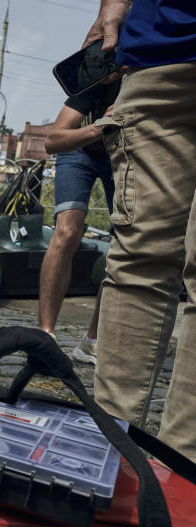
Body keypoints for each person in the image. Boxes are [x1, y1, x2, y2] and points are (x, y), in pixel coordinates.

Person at [85, 0, 196, 454]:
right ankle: (104, 458)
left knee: (137, 267)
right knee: (135, 262)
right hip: (161, 54)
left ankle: (181, 477)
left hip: (160, 49)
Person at [38, 80, 119, 365]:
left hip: (122, 154)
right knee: (67, 233)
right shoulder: (100, 81)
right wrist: (98, 127)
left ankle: (92, 341)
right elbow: (52, 140)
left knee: (124, 244)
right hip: (80, 149)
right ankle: (45, 334)